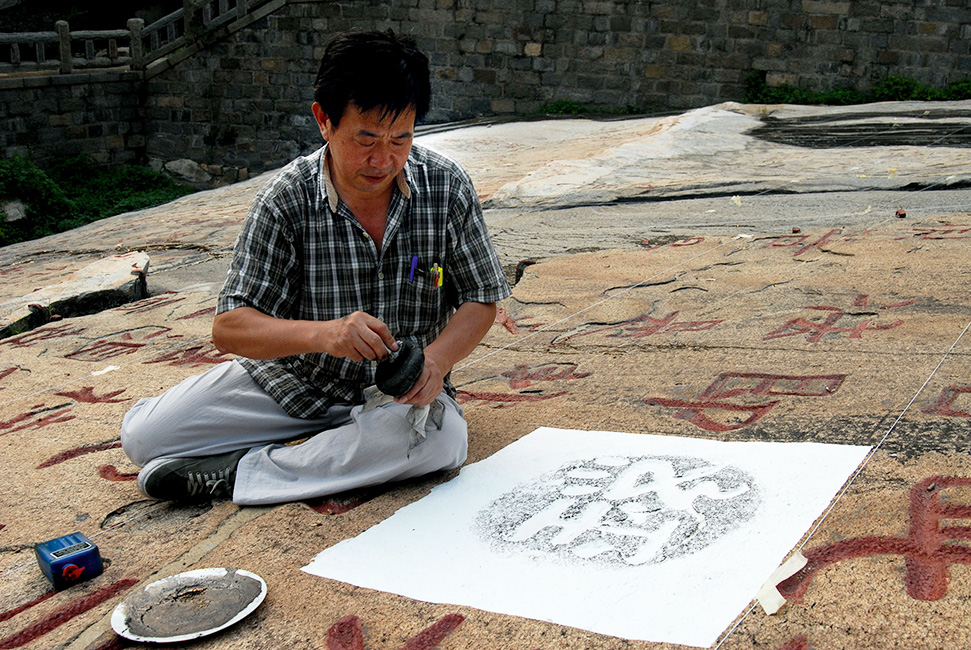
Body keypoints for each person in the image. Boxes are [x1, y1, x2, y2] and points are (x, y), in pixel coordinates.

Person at [120, 30, 511, 506]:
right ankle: (332, 450)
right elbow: (230, 328)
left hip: (397, 393)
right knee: (144, 438)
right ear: (323, 120)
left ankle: (237, 476)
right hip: (297, 383)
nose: (383, 159)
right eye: (365, 138)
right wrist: (324, 335)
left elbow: (480, 297)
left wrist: (439, 360)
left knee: (443, 443)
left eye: (401, 138)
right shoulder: (287, 198)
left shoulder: (445, 187)